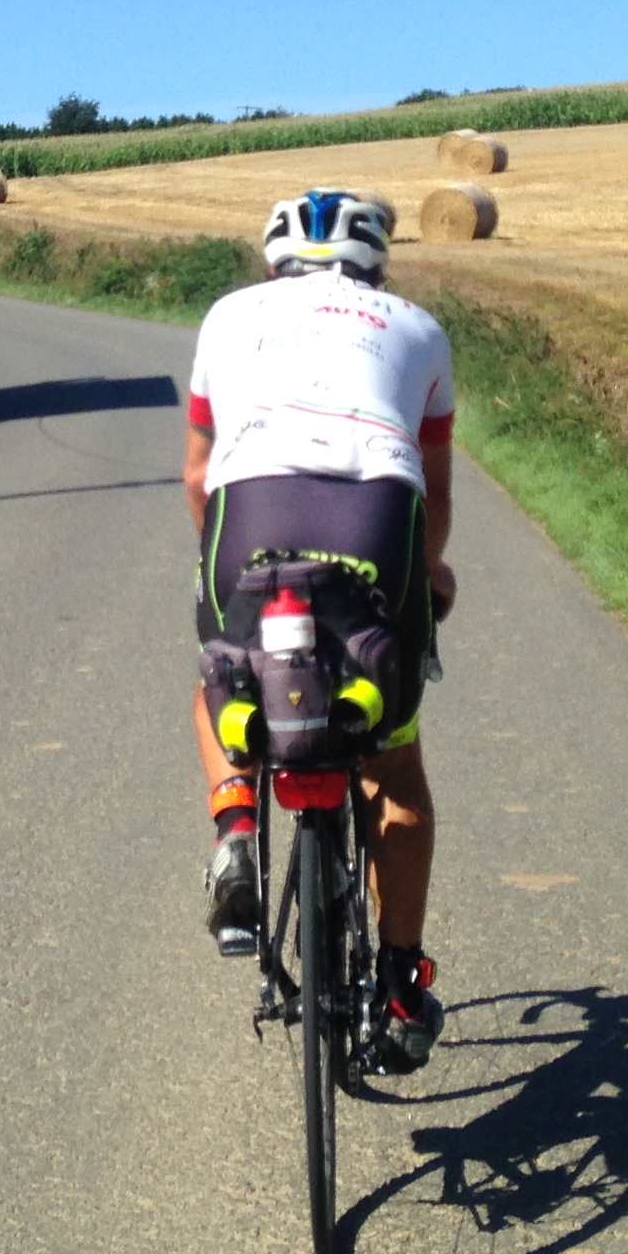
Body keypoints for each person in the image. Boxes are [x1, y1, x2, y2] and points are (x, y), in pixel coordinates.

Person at [184, 188, 456, 1073]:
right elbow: (435, 492)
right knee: (393, 760)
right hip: (378, 522)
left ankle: (235, 833)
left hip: (249, 518)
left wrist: (221, 578)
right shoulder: (417, 326)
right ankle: (401, 977)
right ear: (377, 262)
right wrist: (431, 576)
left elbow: (197, 477)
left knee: (220, 678)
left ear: (274, 261)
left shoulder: (228, 317)